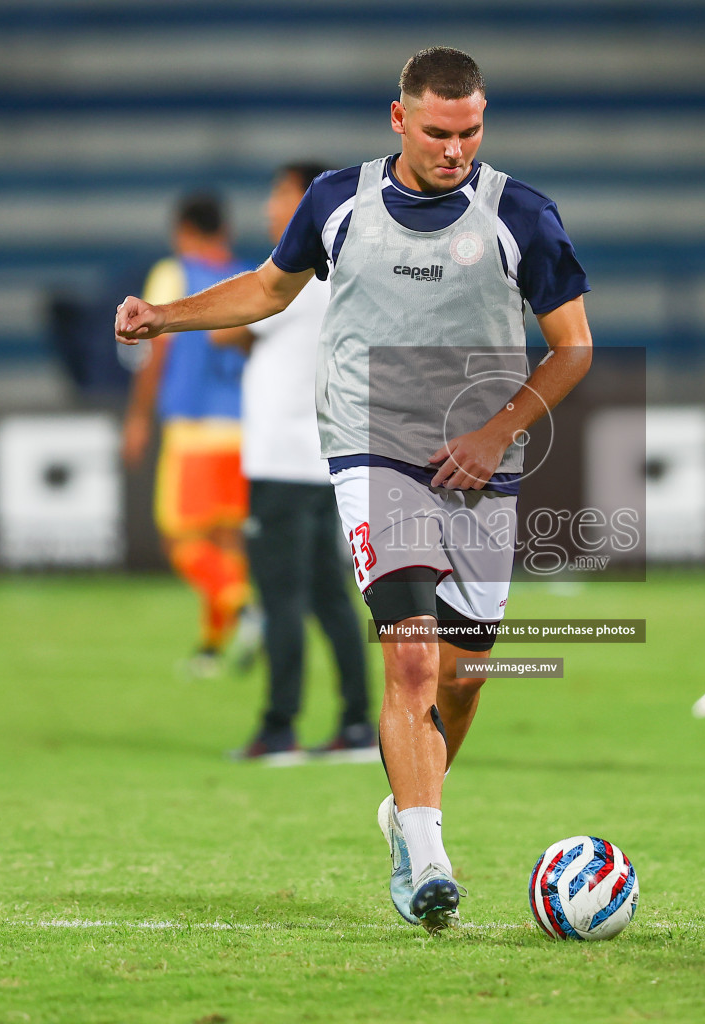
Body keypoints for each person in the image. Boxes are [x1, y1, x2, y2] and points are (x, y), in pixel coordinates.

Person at [116, 46, 593, 933]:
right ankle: (426, 856)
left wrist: (496, 434)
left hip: (480, 462)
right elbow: (266, 287)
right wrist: (164, 318)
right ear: (399, 118)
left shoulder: (520, 214)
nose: (456, 149)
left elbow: (575, 348)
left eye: (471, 130)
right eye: (439, 131)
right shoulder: (339, 201)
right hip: (371, 448)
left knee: (462, 677)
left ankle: (407, 807)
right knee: (410, 655)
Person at [225, 162, 374, 762]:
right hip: (324, 458)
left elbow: (228, 326)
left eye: (280, 194)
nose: (269, 206)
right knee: (328, 596)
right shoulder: (345, 270)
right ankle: (358, 724)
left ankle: (279, 726)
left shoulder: (300, 271)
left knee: (280, 594)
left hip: (284, 462)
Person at [123, 192, 263, 677]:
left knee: (180, 540)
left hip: (195, 431)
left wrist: (139, 416)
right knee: (227, 543)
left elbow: (153, 350)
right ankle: (213, 646)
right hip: (245, 431)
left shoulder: (174, 273)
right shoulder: (251, 281)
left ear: (184, 231)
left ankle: (247, 609)